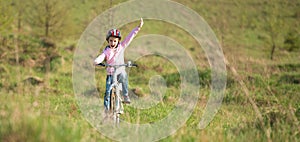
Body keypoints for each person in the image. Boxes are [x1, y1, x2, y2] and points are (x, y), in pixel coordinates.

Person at [94, 18, 144, 112]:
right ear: (108, 41)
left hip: (120, 71)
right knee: (108, 92)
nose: (113, 43)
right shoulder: (107, 50)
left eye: (115, 41)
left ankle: (125, 95)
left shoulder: (121, 46)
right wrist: (96, 61)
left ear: (118, 41)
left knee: (124, 76)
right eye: (111, 41)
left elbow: (130, 37)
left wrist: (138, 28)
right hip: (110, 74)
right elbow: (102, 56)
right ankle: (106, 110)